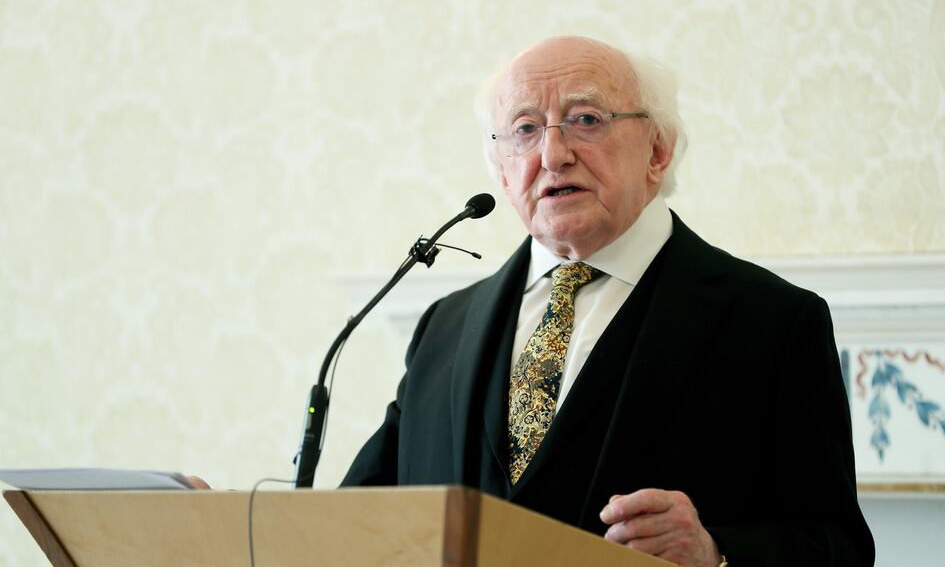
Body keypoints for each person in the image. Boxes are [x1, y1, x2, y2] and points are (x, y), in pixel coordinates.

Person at [342, 36, 874, 566]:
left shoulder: (772, 321)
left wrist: (715, 553)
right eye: (526, 130)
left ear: (658, 151)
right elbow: (362, 520)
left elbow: (838, 547)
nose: (554, 154)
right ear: (502, 171)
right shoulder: (445, 327)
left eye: (587, 119)